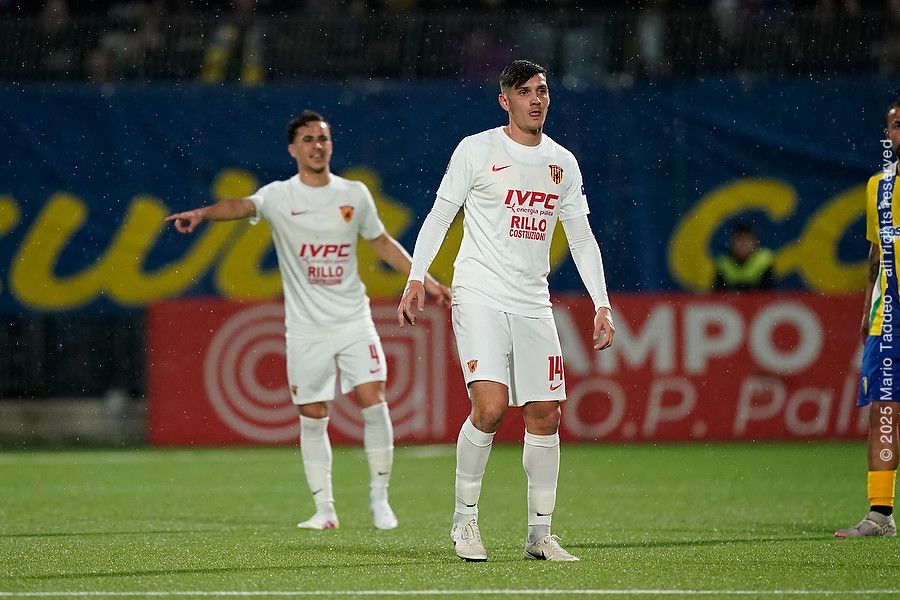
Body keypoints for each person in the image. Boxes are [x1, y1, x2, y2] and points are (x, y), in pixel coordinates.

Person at [166, 110, 451, 531]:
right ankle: (325, 509)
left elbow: (382, 242)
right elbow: (241, 206)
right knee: (313, 414)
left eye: (323, 138)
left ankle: (380, 499)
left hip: (353, 319)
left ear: (330, 145)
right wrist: (204, 213)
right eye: (308, 139)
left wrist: (424, 279)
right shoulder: (279, 196)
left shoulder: (354, 194)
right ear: (293, 149)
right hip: (305, 328)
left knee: (374, 401)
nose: (317, 146)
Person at [397, 59, 615, 562]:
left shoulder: (562, 163)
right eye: (524, 92)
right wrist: (415, 276)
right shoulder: (476, 150)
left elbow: (581, 237)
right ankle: (464, 521)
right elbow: (441, 215)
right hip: (479, 292)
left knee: (546, 414)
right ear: (505, 100)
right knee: (491, 407)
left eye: (542, 90)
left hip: (533, 300)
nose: (536, 100)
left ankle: (540, 534)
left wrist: (602, 303)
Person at [835, 98, 900, 538]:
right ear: (887, 135)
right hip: (888, 315)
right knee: (884, 409)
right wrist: (865, 310)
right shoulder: (878, 187)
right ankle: (880, 514)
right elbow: (876, 252)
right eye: (896, 125)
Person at [712, 221, 775, 291]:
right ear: (732, 243)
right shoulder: (724, 262)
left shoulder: (764, 260)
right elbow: (718, 293)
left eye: (747, 240)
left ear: (755, 242)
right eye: (739, 240)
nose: (743, 244)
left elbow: (769, 292)